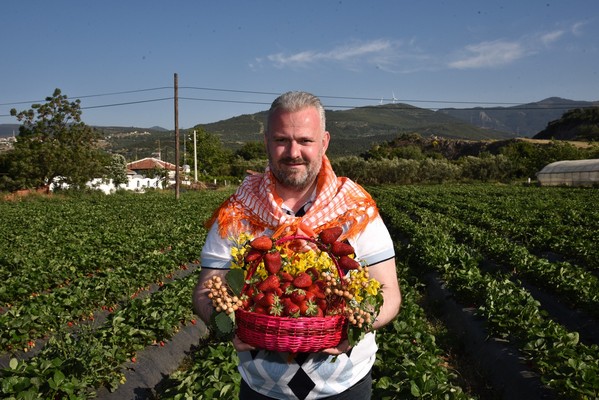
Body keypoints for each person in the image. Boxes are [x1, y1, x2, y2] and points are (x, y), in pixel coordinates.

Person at [193, 91, 401, 400]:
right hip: (263, 389)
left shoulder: (355, 209)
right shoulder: (238, 211)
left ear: (324, 142)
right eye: (281, 140)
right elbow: (205, 291)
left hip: (345, 386)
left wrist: (359, 321)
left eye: (305, 140)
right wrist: (226, 324)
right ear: (266, 141)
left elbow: (389, 292)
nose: (293, 152)